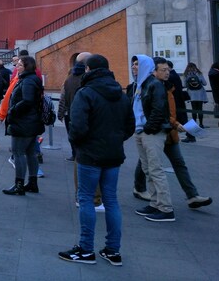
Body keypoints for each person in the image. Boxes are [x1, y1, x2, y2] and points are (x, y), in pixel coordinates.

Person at [58, 54, 134, 266]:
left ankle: (85, 249)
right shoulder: (121, 94)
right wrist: (115, 140)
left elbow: (78, 127)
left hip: (90, 155)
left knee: (86, 199)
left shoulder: (86, 93)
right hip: (113, 154)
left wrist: (79, 143)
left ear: (89, 69)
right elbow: (129, 126)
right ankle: (113, 250)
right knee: (111, 200)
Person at [132, 56, 175, 222]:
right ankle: (155, 202)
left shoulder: (153, 84)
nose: (134, 67)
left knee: (155, 169)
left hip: (151, 132)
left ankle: (166, 208)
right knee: (148, 168)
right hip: (142, 131)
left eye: (137, 65)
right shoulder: (141, 84)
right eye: (133, 65)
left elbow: (158, 110)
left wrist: (148, 128)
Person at [2, 55, 44, 196]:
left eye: (19, 65)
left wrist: (12, 110)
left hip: (23, 122)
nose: (16, 67)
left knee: (18, 152)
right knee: (31, 153)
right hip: (31, 122)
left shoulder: (27, 81)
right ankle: (32, 183)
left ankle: (19, 184)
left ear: (26, 66)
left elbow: (27, 100)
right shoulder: (32, 79)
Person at [58, 52, 91, 161]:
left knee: (72, 135)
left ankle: (75, 154)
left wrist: (61, 112)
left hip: (70, 112)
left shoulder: (69, 78)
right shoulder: (88, 78)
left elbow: (63, 96)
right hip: (86, 113)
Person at [166, 60, 192, 141]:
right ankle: (191, 135)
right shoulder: (174, 74)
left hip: (176, 101)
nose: (165, 71)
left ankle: (191, 135)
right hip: (178, 100)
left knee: (182, 119)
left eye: (166, 68)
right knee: (182, 119)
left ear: (169, 67)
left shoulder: (171, 76)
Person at [182, 62, 208, 130]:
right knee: (200, 109)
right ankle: (201, 124)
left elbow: (184, 85)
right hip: (200, 94)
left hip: (191, 94)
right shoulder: (199, 73)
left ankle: (194, 124)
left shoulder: (186, 74)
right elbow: (205, 83)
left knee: (193, 109)